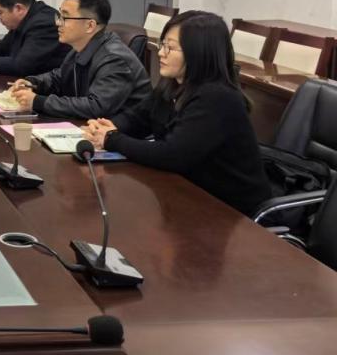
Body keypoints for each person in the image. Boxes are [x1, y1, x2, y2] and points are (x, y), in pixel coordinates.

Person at [84, 11, 272, 217]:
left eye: (170, 47)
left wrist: (112, 139)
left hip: (232, 213)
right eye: (162, 44)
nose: (161, 53)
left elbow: (172, 155)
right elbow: (138, 118)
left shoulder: (218, 98)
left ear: (198, 53)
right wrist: (107, 127)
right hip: (188, 195)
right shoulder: (172, 85)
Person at [9, 0, 150, 120]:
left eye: (65, 17)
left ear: (90, 25)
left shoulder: (115, 59)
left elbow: (95, 107)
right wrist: (32, 82)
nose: (58, 23)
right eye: (59, 16)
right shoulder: (79, 48)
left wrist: (38, 102)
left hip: (122, 133)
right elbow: (59, 78)